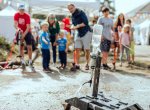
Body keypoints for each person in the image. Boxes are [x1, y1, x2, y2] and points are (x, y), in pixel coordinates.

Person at [68, 3, 92, 70]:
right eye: (69, 9)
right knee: (77, 49)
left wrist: (76, 26)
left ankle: (87, 64)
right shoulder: (72, 15)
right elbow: (73, 24)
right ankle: (77, 64)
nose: (70, 10)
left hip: (86, 32)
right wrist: (72, 27)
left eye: (71, 8)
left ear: (74, 7)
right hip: (78, 33)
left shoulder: (81, 12)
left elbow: (85, 23)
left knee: (86, 49)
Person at [14, 3, 33, 69]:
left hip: (27, 32)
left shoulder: (27, 16)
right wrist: (18, 29)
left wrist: (24, 35)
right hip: (20, 32)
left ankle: (30, 61)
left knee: (29, 47)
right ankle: (22, 61)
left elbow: (28, 27)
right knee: (21, 47)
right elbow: (15, 24)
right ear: (18, 9)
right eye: (20, 9)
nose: (22, 11)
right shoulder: (16, 15)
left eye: (23, 9)